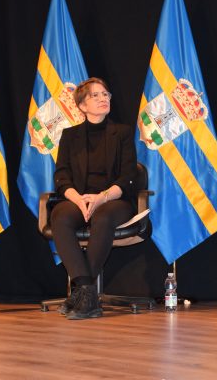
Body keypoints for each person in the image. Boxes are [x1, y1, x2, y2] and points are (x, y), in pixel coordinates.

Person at [51, 77, 137, 320]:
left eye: (106, 95)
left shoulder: (122, 133)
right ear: (82, 106)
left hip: (114, 200)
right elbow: (61, 176)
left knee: (103, 217)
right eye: (96, 96)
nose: (103, 99)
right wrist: (78, 199)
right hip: (80, 199)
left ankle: (81, 295)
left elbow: (129, 176)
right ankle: (87, 291)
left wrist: (102, 197)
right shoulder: (70, 136)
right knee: (60, 216)